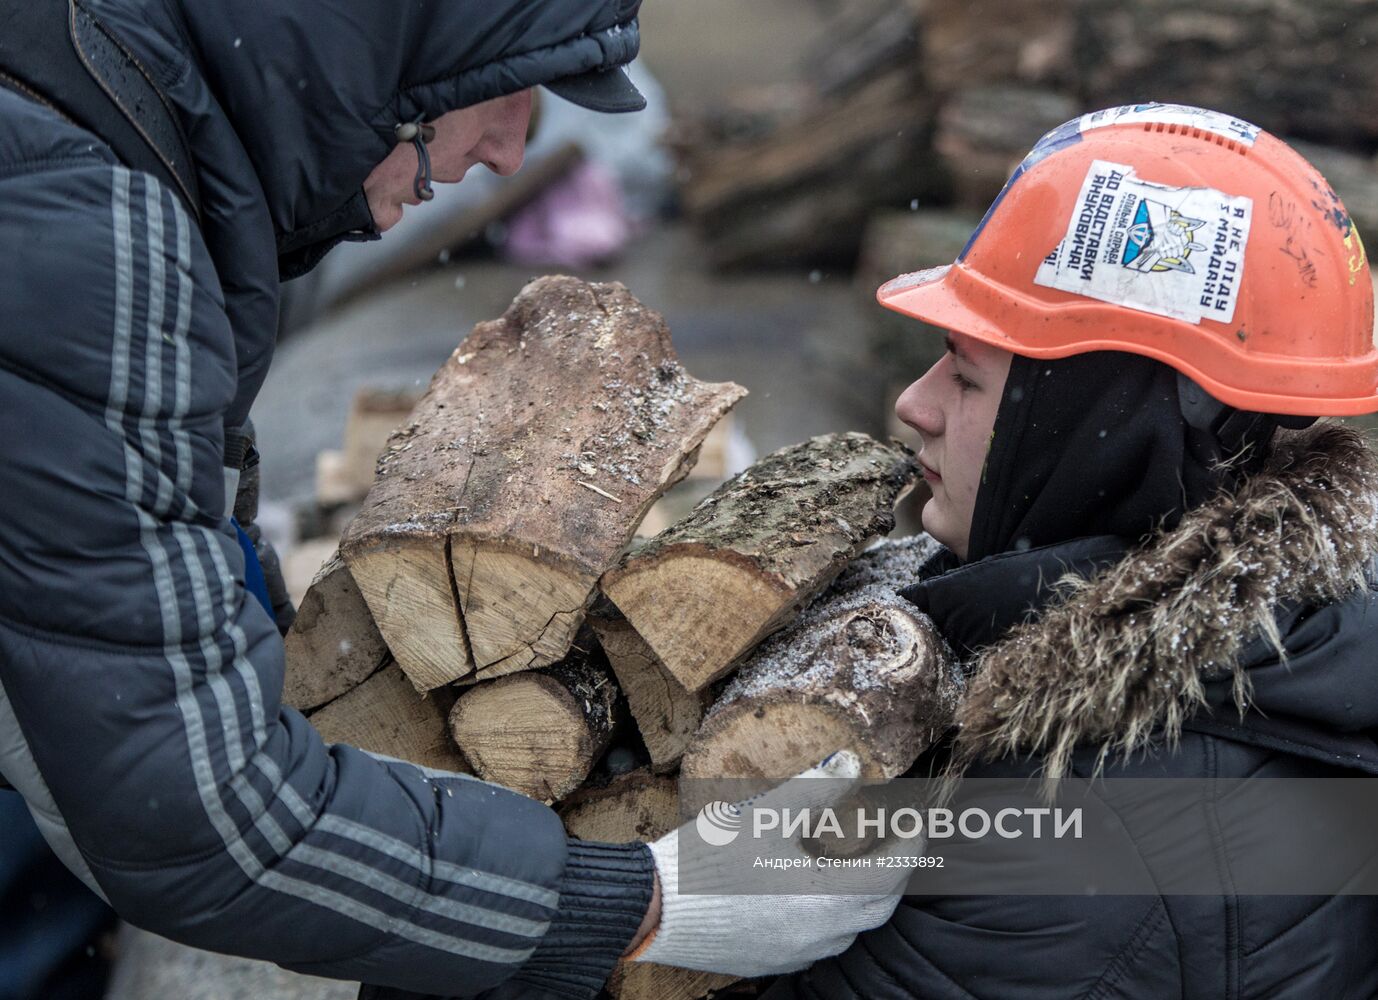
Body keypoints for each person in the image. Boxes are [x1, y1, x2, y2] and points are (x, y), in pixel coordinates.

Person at [0, 3, 906, 998]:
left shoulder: (94, 110)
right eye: (505, 86)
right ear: (373, 46)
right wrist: (639, 905)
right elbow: (198, 818)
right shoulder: (79, 222)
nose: (513, 152)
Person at [762, 104, 1378, 998]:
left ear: (1106, 433)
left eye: (966, 374)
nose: (913, 403)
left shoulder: (1072, 827)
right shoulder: (1309, 640)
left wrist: (653, 889)